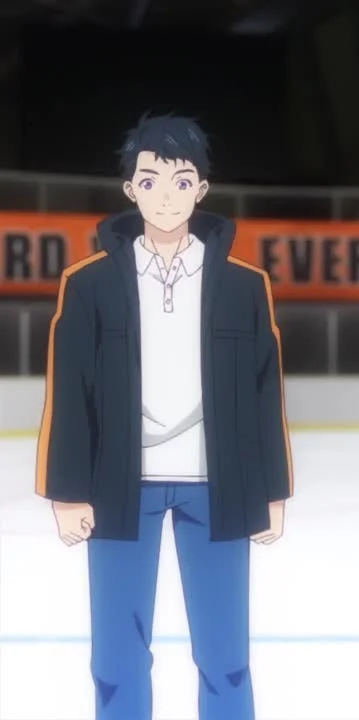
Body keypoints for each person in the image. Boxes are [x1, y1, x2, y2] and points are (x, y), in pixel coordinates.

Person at [34, 113, 293, 720]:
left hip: (219, 485)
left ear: (201, 189)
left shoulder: (245, 286)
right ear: (131, 189)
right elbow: (70, 392)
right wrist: (68, 493)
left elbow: (264, 392)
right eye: (150, 181)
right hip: (120, 485)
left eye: (182, 181)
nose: (167, 197)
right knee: (117, 658)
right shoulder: (89, 284)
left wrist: (272, 491)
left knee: (225, 655)